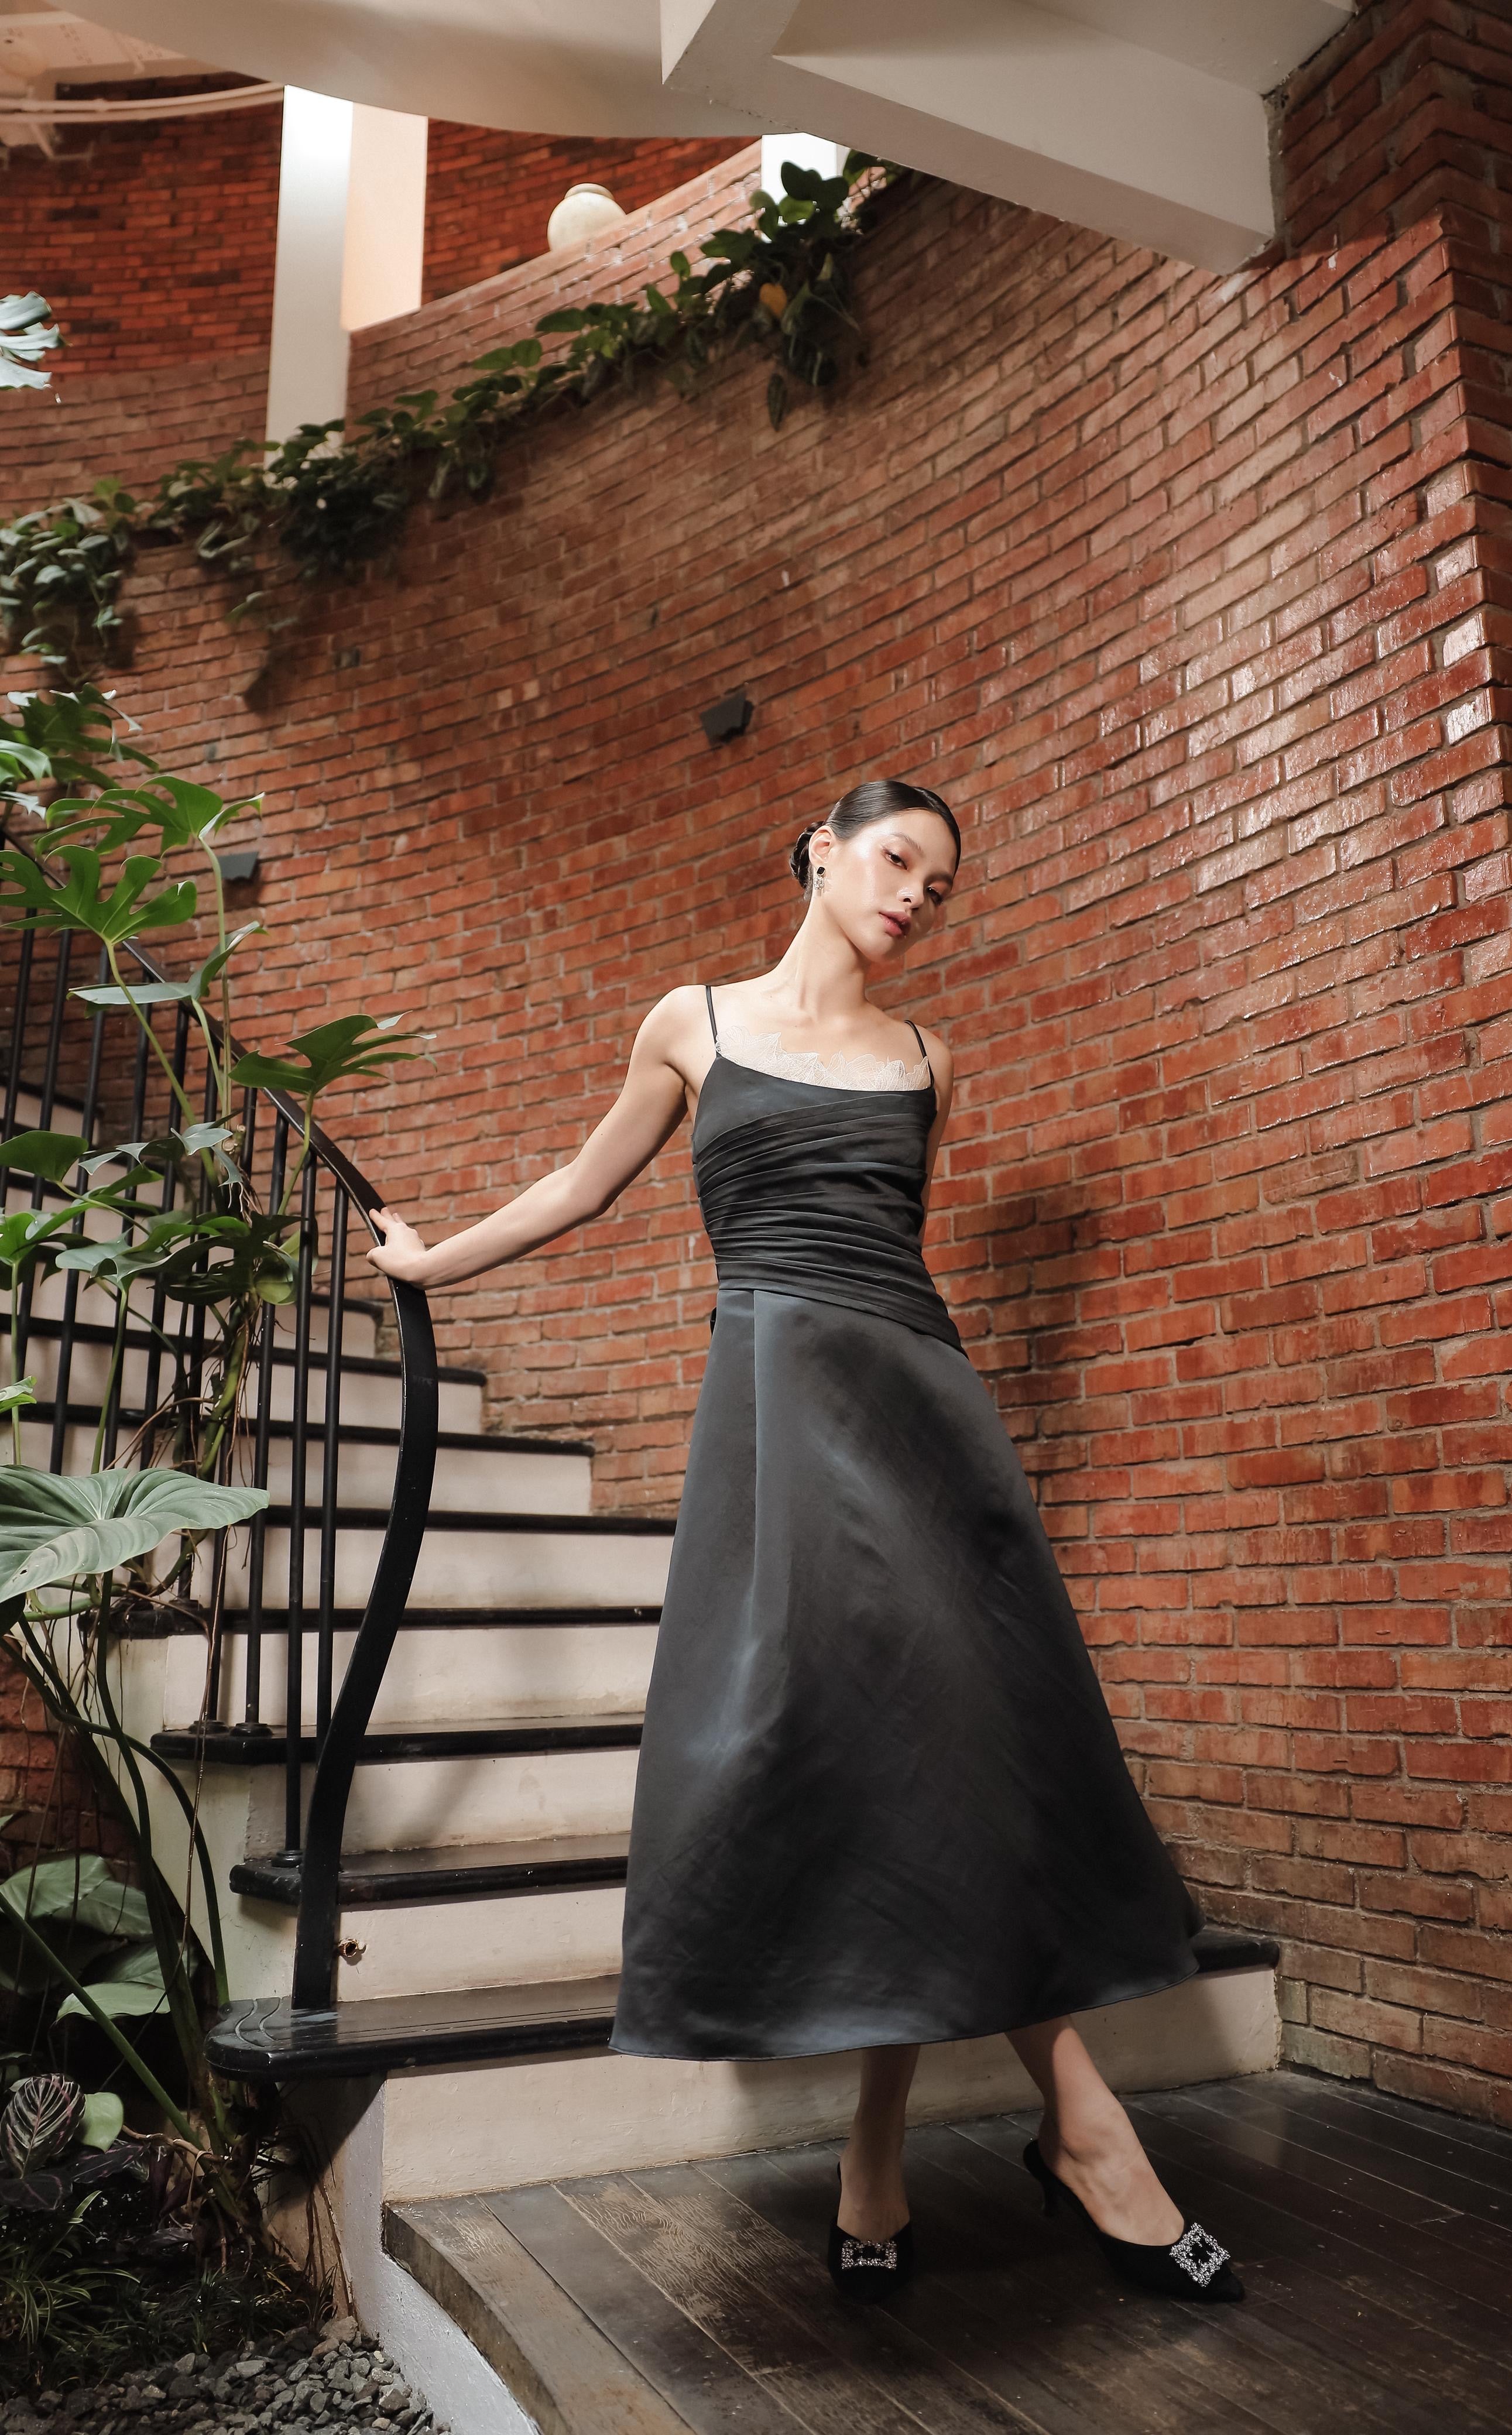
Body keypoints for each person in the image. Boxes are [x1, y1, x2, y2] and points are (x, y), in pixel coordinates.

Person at [366, 777, 1242, 2307]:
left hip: (923, 1420)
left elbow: (888, 1249)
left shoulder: (926, 1059)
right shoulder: (693, 1023)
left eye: (939, 889)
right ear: (823, 851)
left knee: (943, 1756)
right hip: (781, 1418)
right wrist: (432, 1261)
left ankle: (903, 2156)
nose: (915, 899)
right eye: (898, 861)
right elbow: (582, 1182)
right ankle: (1075, 2138)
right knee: (868, 1754)